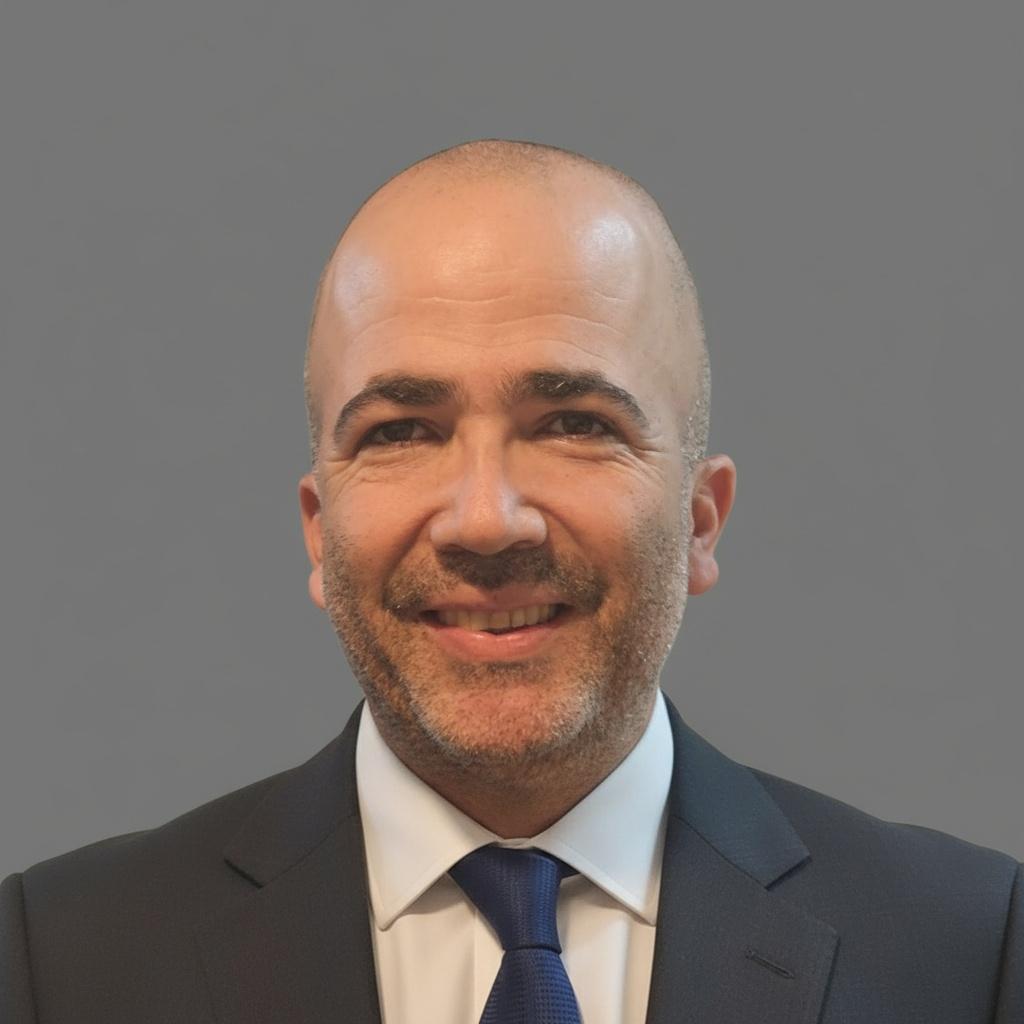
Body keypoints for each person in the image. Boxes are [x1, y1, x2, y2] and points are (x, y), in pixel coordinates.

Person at [1, 138, 1019, 1024]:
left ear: (700, 519)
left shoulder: (970, 952)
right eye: (400, 431)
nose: (486, 520)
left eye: (574, 423)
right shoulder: (61, 962)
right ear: (319, 531)